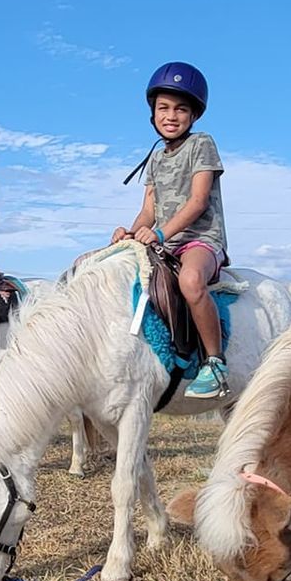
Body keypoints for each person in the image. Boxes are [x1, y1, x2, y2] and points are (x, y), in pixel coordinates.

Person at [115, 61, 230, 398]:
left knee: (191, 281)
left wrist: (162, 234)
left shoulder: (202, 144)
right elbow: (148, 210)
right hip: (164, 243)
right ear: (152, 113)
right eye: (163, 107)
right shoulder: (155, 158)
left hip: (201, 239)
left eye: (181, 109)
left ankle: (214, 361)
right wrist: (131, 233)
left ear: (193, 115)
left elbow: (197, 201)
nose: (171, 115)